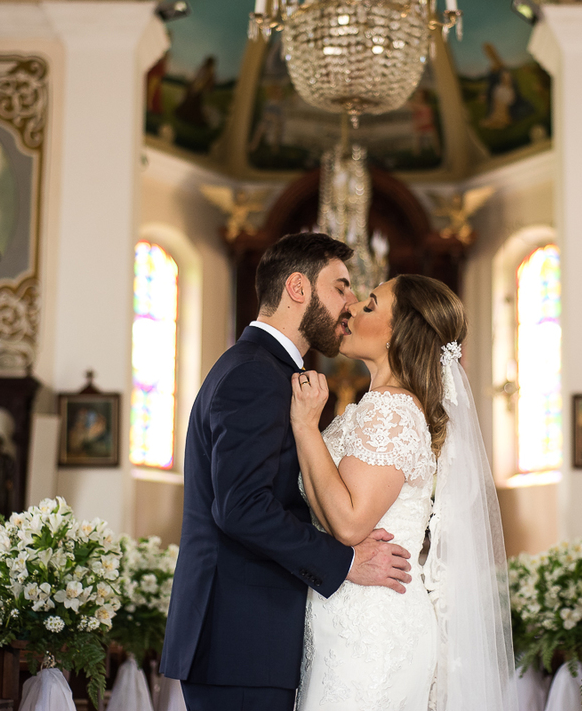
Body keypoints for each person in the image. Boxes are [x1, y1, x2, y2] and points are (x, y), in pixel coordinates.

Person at [162, 232, 413, 711]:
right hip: (240, 641)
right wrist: (345, 562)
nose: (351, 302)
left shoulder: (267, 369)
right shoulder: (256, 374)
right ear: (298, 289)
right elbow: (240, 507)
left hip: (248, 640)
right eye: (340, 287)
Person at [291, 274, 517, 710]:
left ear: (401, 334)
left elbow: (349, 522)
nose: (353, 307)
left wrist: (304, 426)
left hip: (374, 626)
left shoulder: (391, 408)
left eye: (371, 305)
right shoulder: (374, 405)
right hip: (349, 612)